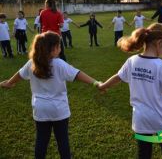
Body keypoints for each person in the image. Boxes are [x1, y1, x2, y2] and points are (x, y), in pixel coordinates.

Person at [97, 23, 162, 159]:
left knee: (144, 155)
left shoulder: (131, 61)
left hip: (141, 121)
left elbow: (118, 77)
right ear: (159, 43)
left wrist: (104, 85)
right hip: (161, 121)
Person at [0, 31, 101, 159]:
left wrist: (8, 83)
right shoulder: (59, 64)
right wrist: (96, 83)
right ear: (53, 49)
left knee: (41, 140)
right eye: (59, 46)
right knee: (62, 140)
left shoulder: (32, 63)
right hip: (59, 109)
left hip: (40, 108)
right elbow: (78, 74)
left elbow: (18, 75)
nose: (60, 49)